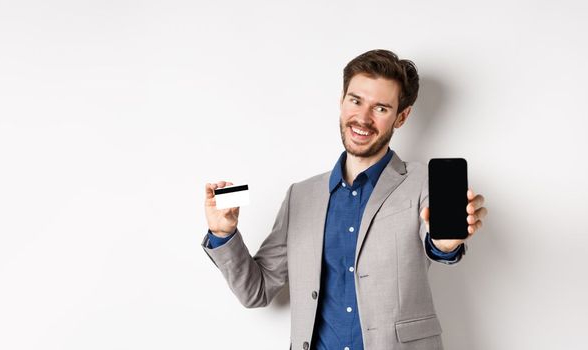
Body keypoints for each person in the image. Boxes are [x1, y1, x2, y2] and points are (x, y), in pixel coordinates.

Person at [201, 49, 488, 350]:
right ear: (341, 101)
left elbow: (438, 242)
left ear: (401, 117)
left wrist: (445, 245)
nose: (362, 118)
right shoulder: (301, 195)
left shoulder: (422, 182)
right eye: (356, 101)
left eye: (380, 108)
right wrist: (224, 234)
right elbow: (256, 292)